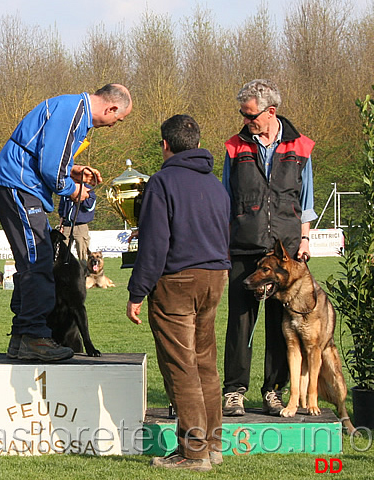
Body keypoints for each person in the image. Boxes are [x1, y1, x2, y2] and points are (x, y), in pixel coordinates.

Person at [0, 83, 132, 361]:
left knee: (34, 262)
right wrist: (73, 189)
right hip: (18, 185)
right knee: (38, 263)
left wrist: (73, 171)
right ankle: (34, 336)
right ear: (112, 108)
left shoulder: (70, 108)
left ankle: (21, 337)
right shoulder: (73, 113)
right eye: (119, 119)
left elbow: (46, 156)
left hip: (17, 183)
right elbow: (50, 169)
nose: (116, 125)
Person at [126, 115, 230, 472]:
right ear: (198, 144)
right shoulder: (216, 184)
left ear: (165, 145)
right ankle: (213, 445)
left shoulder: (162, 182)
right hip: (216, 277)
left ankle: (193, 452)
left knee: (181, 367)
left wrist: (137, 291)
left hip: (177, 282)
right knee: (205, 363)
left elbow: (155, 244)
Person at [222, 79, 317, 417]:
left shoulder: (301, 146)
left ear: (270, 111)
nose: (246, 121)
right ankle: (234, 391)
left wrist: (304, 239)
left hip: (286, 254)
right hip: (245, 248)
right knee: (240, 322)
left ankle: (273, 391)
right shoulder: (234, 146)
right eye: (243, 115)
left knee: (282, 324)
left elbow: (306, 200)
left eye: (250, 115)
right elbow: (225, 198)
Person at [57, 185, 96, 263]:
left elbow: (89, 206)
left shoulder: (88, 189)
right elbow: (62, 208)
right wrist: (61, 225)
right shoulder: (67, 188)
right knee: (63, 252)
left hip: (80, 227)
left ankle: (84, 272)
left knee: (82, 253)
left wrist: (80, 196)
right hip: (67, 226)